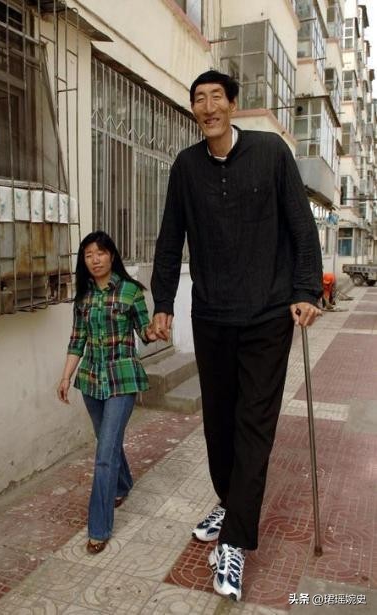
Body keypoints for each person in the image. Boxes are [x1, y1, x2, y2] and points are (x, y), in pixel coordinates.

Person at [150, 70, 323, 600]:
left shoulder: (271, 153)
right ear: (194, 111)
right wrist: (163, 303)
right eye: (199, 100)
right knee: (219, 425)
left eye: (216, 98)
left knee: (254, 426)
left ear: (232, 104)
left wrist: (307, 290)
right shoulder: (186, 167)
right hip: (213, 316)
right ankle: (231, 502)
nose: (208, 108)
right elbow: (169, 238)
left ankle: (235, 540)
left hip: (269, 314)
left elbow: (301, 226)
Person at [57, 231, 156, 554]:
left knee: (103, 456)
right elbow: (77, 340)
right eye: (88, 255)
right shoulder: (84, 297)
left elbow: (145, 331)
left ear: (111, 255)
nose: (95, 259)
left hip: (122, 380)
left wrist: (156, 329)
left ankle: (98, 528)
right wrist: (65, 376)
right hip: (90, 380)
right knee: (107, 442)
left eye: (100, 253)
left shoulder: (131, 291)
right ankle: (123, 483)